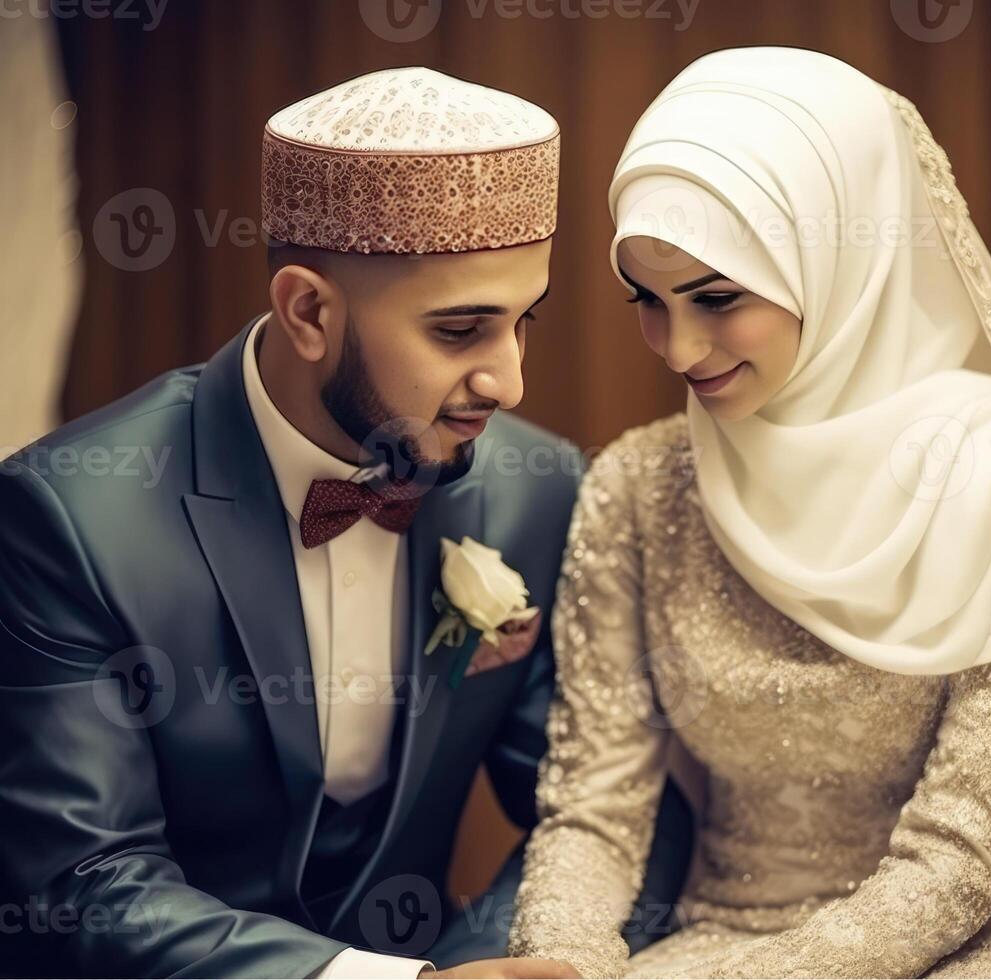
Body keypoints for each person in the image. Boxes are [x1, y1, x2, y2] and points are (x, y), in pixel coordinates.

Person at [0, 67, 691, 979]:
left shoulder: (537, 488)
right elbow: (80, 883)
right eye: (459, 331)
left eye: (525, 320)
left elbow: (605, 810)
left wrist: (503, 965)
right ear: (308, 312)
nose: (509, 381)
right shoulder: (68, 516)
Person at [507, 47, 991, 978]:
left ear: (840, 255)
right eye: (647, 302)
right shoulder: (638, 487)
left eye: (716, 297)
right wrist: (561, 964)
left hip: (987, 943)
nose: (677, 347)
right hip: (723, 934)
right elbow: (597, 809)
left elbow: (958, 858)